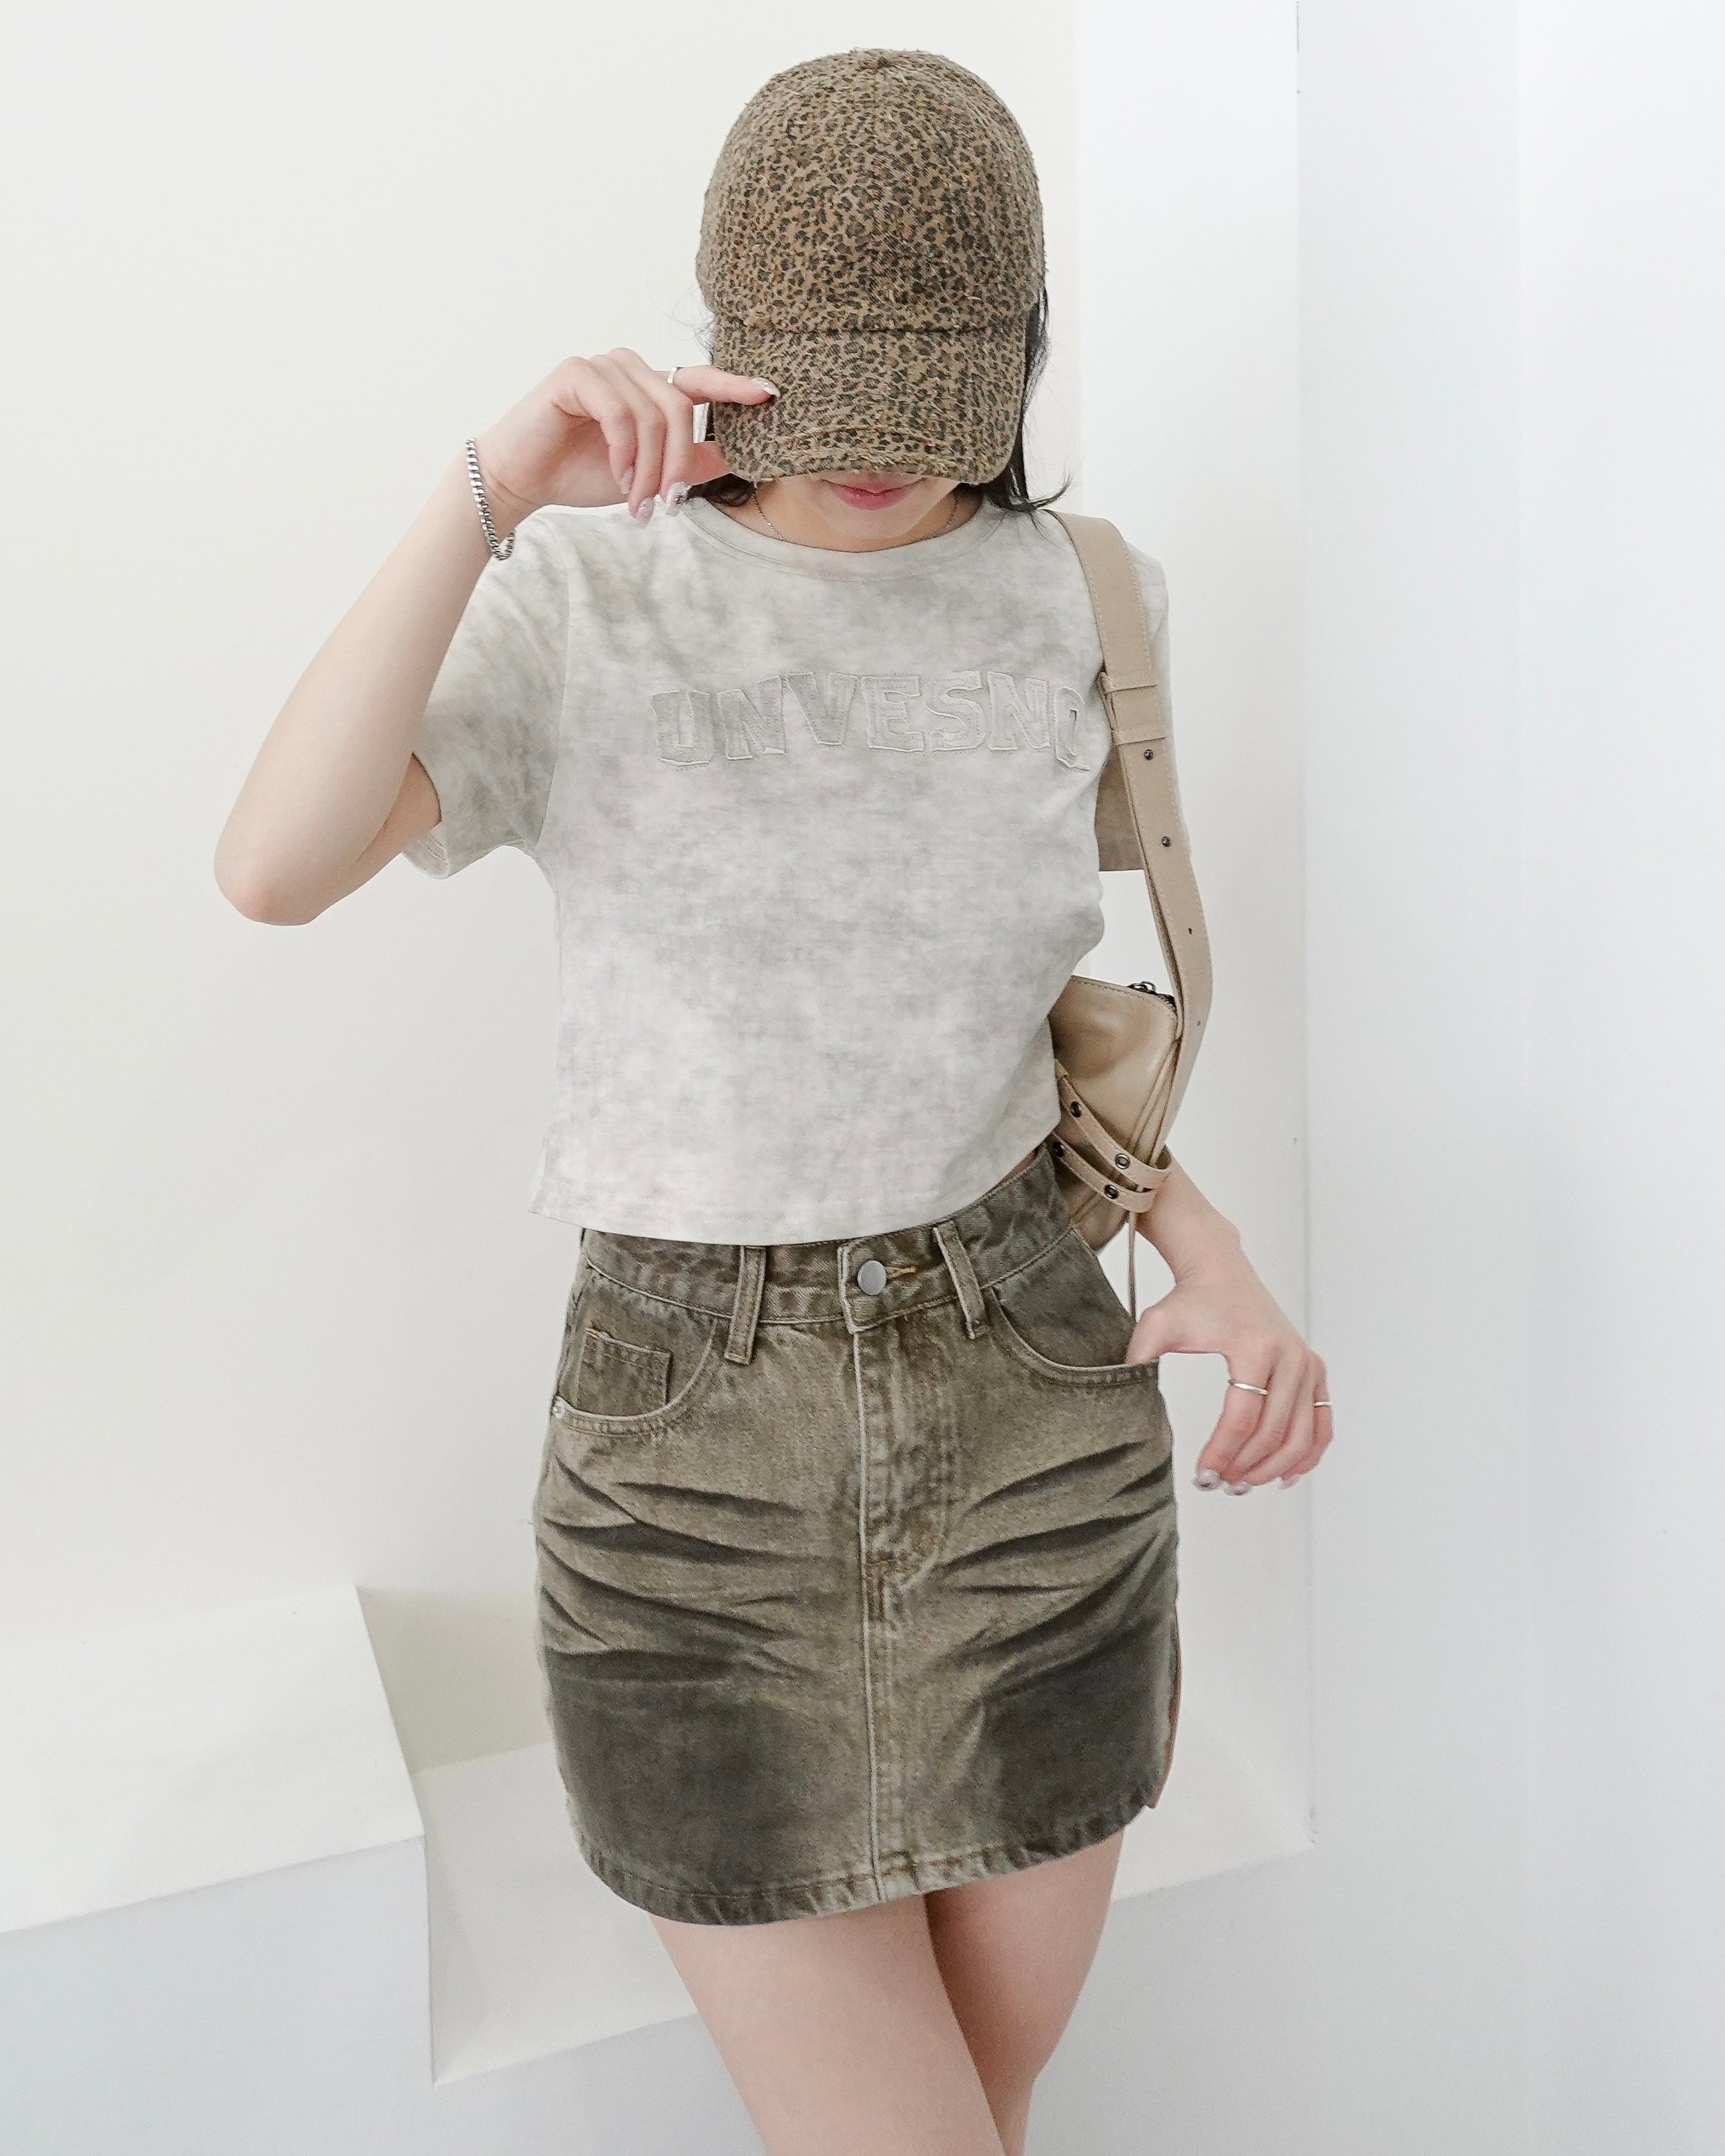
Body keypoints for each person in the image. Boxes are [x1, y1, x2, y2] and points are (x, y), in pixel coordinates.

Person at [215, 45, 1332, 2156]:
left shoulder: (1086, 602)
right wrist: (490, 486)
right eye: (837, 401)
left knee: (977, 2117)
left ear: (1019, 357)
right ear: (732, 351)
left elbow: (1008, 1024)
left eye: (935, 403)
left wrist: (1211, 1246)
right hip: (692, 1487)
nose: (884, 459)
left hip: (1036, 1435)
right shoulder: (591, 602)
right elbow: (272, 865)